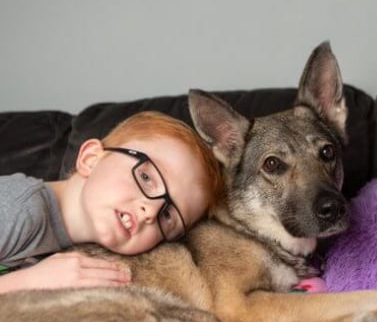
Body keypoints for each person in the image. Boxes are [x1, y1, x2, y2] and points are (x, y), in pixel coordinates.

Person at [0, 111, 222, 294]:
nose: (151, 212)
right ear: (91, 159)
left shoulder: (71, 246)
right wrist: (31, 281)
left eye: (168, 215)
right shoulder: (20, 208)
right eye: (146, 178)